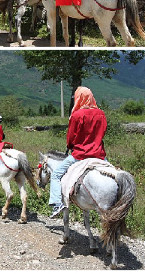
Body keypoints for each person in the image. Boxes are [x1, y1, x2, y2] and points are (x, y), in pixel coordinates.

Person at [49, 86, 107, 218]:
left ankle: (57, 203)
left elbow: (71, 137)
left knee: (56, 175)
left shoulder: (77, 115)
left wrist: (70, 146)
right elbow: (102, 132)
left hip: (80, 155)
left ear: (79, 98)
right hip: (99, 155)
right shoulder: (101, 114)